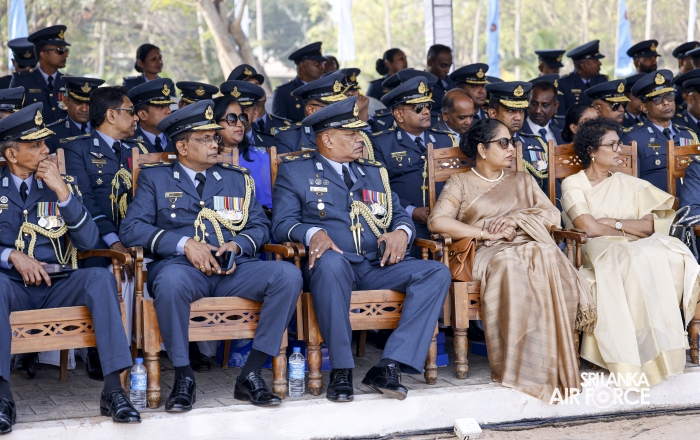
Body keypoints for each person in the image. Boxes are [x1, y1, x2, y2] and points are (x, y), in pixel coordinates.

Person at [120, 100, 302, 409]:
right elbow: (131, 229)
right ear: (182, 146)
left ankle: (251, 373)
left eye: (215, 137)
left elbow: (259, 225)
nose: (215, 144)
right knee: (170, 282)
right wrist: (185, 244)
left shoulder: (236, 178)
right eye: (205, 138)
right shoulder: (156, 178)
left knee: (288, 275)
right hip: (184, 269)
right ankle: (183, 376)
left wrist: (237, 245)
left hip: (234, 269)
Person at [272, 96, 451, 403]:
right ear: (327, 139)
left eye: (359, 133)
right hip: (334, 265)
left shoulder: (374, 171)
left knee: (436, 272)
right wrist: (313, 233)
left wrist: (402, 232)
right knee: (330, 265)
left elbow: (397, 214)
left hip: (377, 264)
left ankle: (389, 365)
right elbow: (281, 224)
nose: (360, 139)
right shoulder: (296, 171)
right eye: (351, 134)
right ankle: (342, 370)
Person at [427, 117, 592, 402]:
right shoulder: (460, 182)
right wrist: (484, 232)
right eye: (503, 143)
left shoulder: (522, 180)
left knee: (544, 253)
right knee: (514, 261)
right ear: (482, 149)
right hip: (484, 251)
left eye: (512, 142)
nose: (512, 149)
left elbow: (551, 215)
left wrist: (515, 220)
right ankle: (521, 364)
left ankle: (547, 359)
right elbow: (437, 222)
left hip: (525, 244)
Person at [0, 104, 141, 433]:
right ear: (11, 154)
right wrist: (10, 255)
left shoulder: (61, 184)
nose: (46, 150)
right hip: (10, 285)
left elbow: (89, 240)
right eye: (36, 145)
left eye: (45, 143)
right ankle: (3, 397)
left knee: (99, 278)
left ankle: (114, 391)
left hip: (57, 284)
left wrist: (62, 191)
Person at [561, 117, 700, 388]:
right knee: (636, 256)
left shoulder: (628, 182)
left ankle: (656, 345)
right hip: (596, 248)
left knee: (671, 252)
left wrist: (613, 223)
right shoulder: (573, 184)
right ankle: (630, 353)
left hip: (634, 244)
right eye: (612, 145)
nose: (619, 150)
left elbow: (652, 225)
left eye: (619, 144)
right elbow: (587, 227)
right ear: (591, 150)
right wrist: (628, 230)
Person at [372, 76, 457, 247]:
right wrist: (412, 211)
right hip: (405, 222)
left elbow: (458, 181)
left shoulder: (446, 140)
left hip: (448, 220)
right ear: (399, 115)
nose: (426, 112)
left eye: (428, 106)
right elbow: (376, 191)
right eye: (418, 108)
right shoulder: (380, 143)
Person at [621, 69, 698, 192]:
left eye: (669, 96)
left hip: (690, 202)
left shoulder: (689, 135)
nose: (666, 102)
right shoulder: (632, 138)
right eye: (657, 99)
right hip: (654, 203)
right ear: (644, 107)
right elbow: (628, 186)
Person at [218, 80, 274, 212]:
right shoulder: (202, 159)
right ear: (214, 123)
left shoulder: (261, 157)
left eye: (242, 117)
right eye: (231, 119)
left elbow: (268, 207)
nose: (239, 124)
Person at [485, 81, 549, 193]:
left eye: (521, 111)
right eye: (511, 111)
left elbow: (548, 187)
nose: (518, 117)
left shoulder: (536, 144)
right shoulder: (482, 146)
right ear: (493, 113)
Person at [274, 71, 348, 154]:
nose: (338, 110)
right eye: (332, 107)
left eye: (339, 105)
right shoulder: (288, 138)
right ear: (311, 110)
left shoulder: (350, 133)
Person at [10, 25, 70, 124]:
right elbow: (12, 118)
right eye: (60, 51)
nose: (65, 55)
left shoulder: (69, 82)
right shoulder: (21, 81)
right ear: (44, 54)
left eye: (66, 51)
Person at [228, 64, 292, 135]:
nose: (258, 88)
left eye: (258, 84)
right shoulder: (237, 129)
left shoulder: (285, 125)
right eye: (250, 86)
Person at [45, 76, 105, 153]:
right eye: (78, 103)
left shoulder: (105, 130)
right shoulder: (51, 133)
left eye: (89, 103)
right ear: (66, 101)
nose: (84, 109)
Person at [272, 42, 327, 122]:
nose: (323, 67)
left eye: (323, 63)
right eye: (317, 64)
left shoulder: (326, 89)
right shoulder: (283, 92)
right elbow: (279, 124)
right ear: (303, 66)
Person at [370, 69, 439, 132]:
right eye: (418, 107)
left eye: (428, 105)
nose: (427, 111)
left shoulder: (436, 122)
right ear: (398, 114)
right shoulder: (381, 123)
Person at [557, 40, 609, 118]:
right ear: (583, 65)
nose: (600, 63)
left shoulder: (602, 81)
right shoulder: (563, 83)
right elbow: (561, 116)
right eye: (596, 61)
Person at [128, 78, 176, 153]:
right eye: (160, 107)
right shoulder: (129, 143)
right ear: (143, 115)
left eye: (168, 106)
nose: (169, 111)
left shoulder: (178, 139)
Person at [522, 75, 564, 144]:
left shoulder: (560, 135)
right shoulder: (516, 133)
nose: (538, 111)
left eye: (545, 105)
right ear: (527, 102)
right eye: (534, 104)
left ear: (555, 106)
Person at [426, 44, 455, 114]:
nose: (447, 70)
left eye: (449, 66)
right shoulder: (421, 85)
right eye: (443, 66)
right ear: (430, 62)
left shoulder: (451, 82)